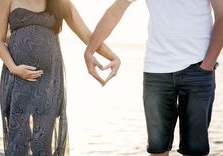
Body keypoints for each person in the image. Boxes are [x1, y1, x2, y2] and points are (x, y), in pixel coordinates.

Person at [84, 0, 223, 155]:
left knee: (195, 150)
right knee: (157, 149)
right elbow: (115, 11)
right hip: (156, 70)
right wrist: (90, 50)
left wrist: (208, 64)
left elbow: (222, 15)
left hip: (198, 70)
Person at [0, 0, 120, 155]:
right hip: (17, 77)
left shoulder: (61, 3)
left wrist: (113, 57)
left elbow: (89, 36)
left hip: (49, 81)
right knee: (18, 137)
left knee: (43, 139)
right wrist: (14, 68)